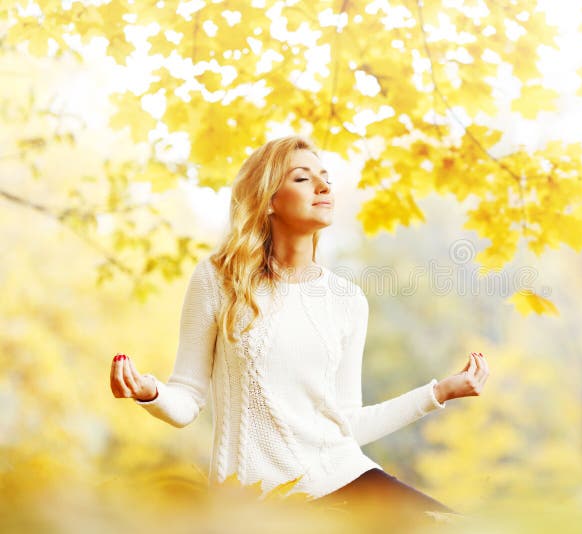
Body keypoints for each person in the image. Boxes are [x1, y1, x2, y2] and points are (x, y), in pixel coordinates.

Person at [108, 134, 490, 519]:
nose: (324, 186)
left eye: (325, 177)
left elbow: (347, 423)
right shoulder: (217, 280)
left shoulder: (347, 300)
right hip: (256, 503)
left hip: (346, 478)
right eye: (303, 178)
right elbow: (186, 399)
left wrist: (439, 392)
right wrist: (149, 391)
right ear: (270, 199)